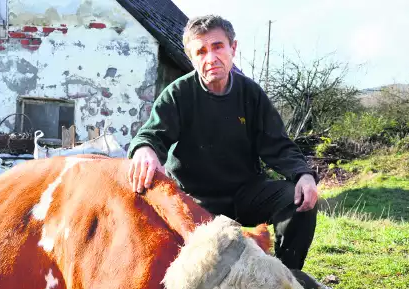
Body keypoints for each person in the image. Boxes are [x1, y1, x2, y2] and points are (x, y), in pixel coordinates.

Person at [127, 15, 319, 271]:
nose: (211, 58)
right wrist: (144, 151)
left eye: (217, 46)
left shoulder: (251, 94)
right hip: (196, 200)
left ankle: (287, 279)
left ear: (233, 48)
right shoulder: (178, 95)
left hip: (247, 193)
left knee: (297, 200)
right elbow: (151, 135)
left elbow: (278, 145)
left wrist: (303, 174)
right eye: (201, 51)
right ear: (191, 57)